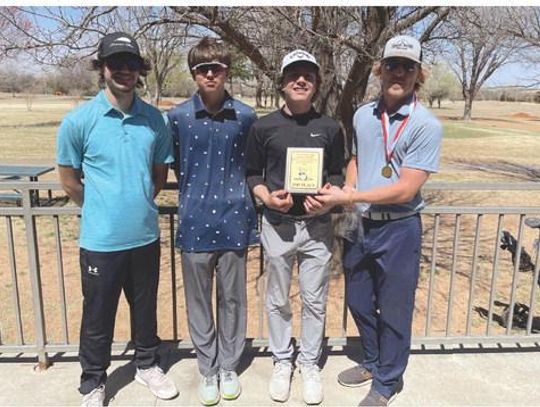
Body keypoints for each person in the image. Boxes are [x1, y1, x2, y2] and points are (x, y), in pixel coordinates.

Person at [315, 35, 443, 406]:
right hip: (360, 225)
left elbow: (406, 189)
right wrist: (351, 187)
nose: (398, 72)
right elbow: (356, 157)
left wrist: (349, 196)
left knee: (394, 308)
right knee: (357, 299)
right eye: (392, 65)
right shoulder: (362, 115)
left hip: (399, 228)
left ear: (419, 74)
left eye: (408, 66)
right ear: (379, 69)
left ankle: (387, 381)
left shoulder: (425, 125)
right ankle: (372, 360)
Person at [56, 32, 178, 407]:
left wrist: (134, 203)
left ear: (141, 70)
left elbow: (159, 177)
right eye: (116, 63)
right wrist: (103, 209)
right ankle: (93, 381)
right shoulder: (79, 121)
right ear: (102, 68)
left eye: (131, 64)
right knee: (97, 317)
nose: (124, 70)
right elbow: (69, 180)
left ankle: (147, 365)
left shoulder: (155, 120)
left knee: (145, 311)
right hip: (100, 241)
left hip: (144, 235)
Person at [246, 49, 344, 405]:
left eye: (308, 75)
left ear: (316, 84)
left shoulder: (330, 128)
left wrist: (330, 195)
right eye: (293, 75)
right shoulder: (263, 126)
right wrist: (266, 198)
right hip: (277, 225)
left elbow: (336, 172)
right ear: (282, 82)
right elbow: (253, 173)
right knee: (277, 300)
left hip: (317, 227)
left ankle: (309, 362)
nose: (300, 80)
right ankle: (282, 360)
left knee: (315, 301)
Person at [166, 37, 258, 406]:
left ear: (226, 71)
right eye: (202, 68)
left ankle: (229, 366)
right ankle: (208, 368)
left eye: (216, 67)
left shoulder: (246, 117)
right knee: (200, 303)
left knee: (233, 301)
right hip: (194, 223)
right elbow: (174, 164)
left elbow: (254, 166)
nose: (209, 74)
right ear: (193, 73)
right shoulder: (177, 118)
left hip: (236, 221)